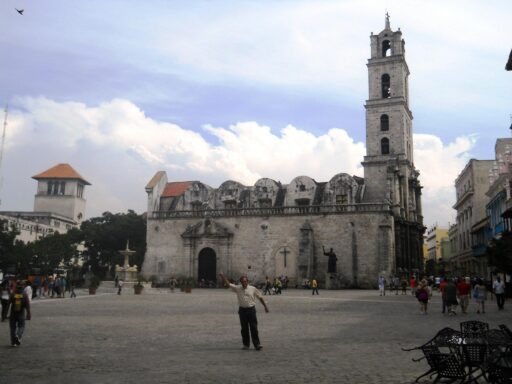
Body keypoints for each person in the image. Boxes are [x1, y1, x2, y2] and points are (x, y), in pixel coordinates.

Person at [219, 272, 269, 350]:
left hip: (251, 310)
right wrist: (222, 276)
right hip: (242, 310)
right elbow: (228, 284)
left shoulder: (253, 288)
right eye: (242, 281)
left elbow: (260, 297)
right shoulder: (238, 288)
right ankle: (246, 344)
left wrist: (265, 307)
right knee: (244, 328)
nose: (244, 283)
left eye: (245, 281)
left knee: (254, 328)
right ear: (241, 282)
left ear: (247, 282)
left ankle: (257, 344)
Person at [8, 281, 31, 347]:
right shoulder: (24, 295)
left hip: (13, 313)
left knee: (12, 328)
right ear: (23, 287)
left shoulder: (13, 294)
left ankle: (13, 342)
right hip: (21, 313)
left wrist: (5, 314)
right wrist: (29, 313)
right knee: (21, 326)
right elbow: (27, 305)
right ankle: (18, 336)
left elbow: (8, 304)